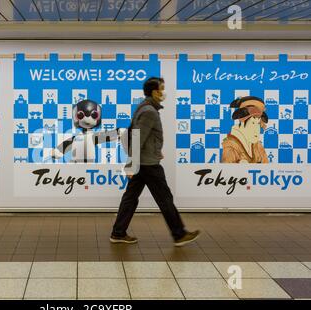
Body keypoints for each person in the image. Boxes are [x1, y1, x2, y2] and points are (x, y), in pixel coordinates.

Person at [110, 77, 200, 247]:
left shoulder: (143, 107)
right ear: (154, 92)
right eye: (161, 89)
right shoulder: (149, 111)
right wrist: (131, 165)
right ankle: (179, 234)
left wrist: (155, 151)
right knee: (164, 198)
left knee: (130, 198)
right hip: (148, 165)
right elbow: (138, 138)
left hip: (145, 161)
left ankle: (118, 233)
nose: (163, 93)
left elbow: (141, 135)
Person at [221, 96, 268, 164]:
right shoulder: (231, 146)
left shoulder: (258, 146)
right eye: (253, 123)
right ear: (242, 122)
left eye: (258, 124)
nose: (256, 129)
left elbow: (267, 167)